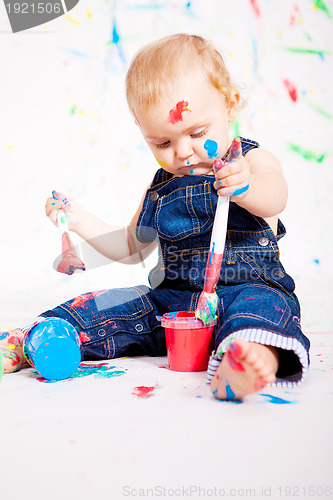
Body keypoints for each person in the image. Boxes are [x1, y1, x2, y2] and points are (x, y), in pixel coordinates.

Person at [0, 33, 310, 400]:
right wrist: (78, 218)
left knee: (261, 312)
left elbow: (276, 198)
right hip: (175, 304)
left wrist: (246, 187)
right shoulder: (162, 187)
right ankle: (44, 337)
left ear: (230, 104)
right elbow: (132, 247)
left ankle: (249, 360)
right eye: (162, 143)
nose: (182, 152)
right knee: (114, 304)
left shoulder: (251, 161)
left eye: (197, 132)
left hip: (247, 287)